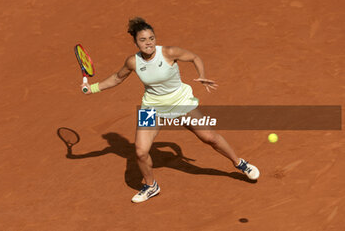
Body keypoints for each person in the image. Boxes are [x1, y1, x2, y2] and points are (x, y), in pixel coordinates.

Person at [82, 17, 260, 203]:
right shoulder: (133, 62)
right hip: (152, 108)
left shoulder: (168, 52)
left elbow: (194, 57)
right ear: (135, 42)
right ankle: (151, 186)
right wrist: (92, 88)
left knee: (209, 138)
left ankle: (240, 163)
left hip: (180, 101)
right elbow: (117, 78)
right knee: (140, 151)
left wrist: (202, 75)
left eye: (151, 38)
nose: (148, 43)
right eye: (143, 40)